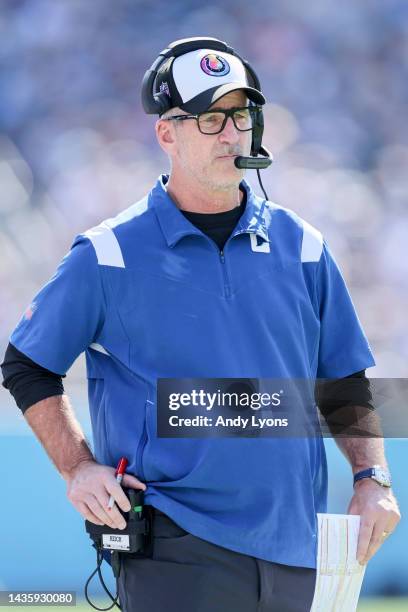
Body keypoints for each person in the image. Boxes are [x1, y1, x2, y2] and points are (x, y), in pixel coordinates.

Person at [1, 37, 401, 612]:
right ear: (167, 133)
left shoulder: (304, 247)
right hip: (175, 547)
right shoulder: (108, 254)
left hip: (299, 546)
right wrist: (79, 468)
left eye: (241, 115)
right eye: (211, 118)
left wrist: (373, 480)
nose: (232, 133)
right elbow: (27, 364)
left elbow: (343, 379)